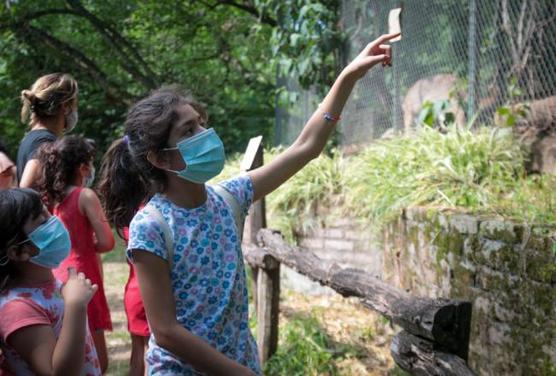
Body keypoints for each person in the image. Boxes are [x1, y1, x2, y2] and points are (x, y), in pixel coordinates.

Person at [100, 33, 398, 375]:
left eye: (201, 123)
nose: (204, 133)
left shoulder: (230, 198)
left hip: (240, 363)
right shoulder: (151, 226)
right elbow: (165, 331)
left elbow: (306, 146)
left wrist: (348, 76)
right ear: (160, 158)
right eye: (188, 130)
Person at [0, 188, 101, 375]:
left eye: (48, 213)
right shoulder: (17, 308)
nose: (55, 222)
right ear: (16, 252)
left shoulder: (52, 284)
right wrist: (76, 305)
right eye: (42, 221)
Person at [37, 135, 115, 373]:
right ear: (83, 167)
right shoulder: (85, 195)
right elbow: (107, 241)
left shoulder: (54, 199)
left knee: (71, 341)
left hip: (60, 274)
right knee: (99, 358)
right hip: (84, 275)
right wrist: (90, 243)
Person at [97, 140, 150, 376]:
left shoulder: (132, 209)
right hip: (150, 293)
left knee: (138, 356)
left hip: (136, 291)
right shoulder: (148, 213)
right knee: (151, 358)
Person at [17, 73, 79, 188]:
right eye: (74, 104)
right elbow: (26, 187)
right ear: (65, 107)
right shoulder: (44, 142)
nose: (75, 109)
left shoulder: (33, 138)